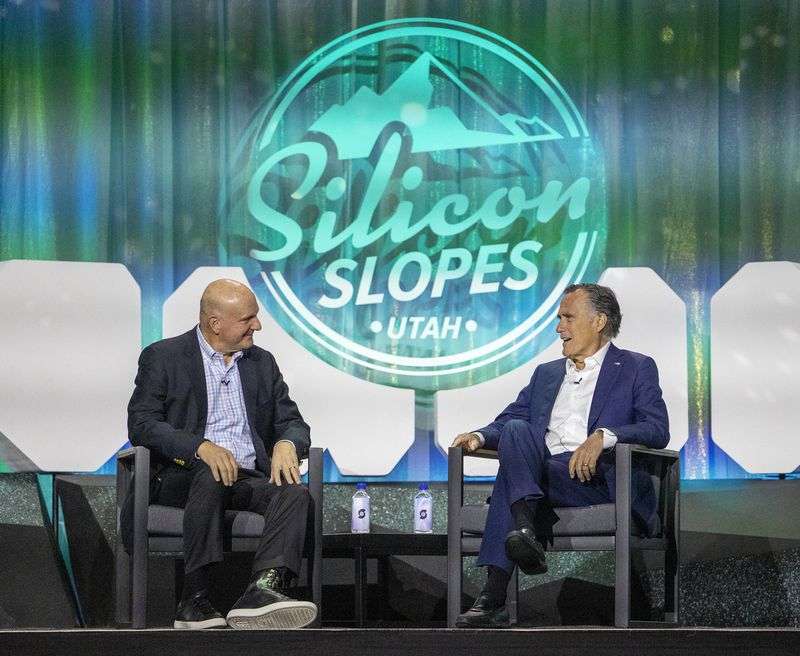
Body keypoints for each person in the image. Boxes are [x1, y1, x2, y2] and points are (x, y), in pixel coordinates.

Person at [451, 283, 669, 628]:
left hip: (594, 479)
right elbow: (512, 418)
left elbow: (657, 428)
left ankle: (495, 593)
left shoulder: (635, 367)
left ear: (599, 321)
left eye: (568, 318)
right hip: (543, 477)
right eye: (559, 318)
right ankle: (523, 528)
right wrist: (479, 435)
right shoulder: (547, 373)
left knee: (511, 479)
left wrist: (604, 436)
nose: (559, 327)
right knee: (516, 431)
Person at [125, 279, 316, 629]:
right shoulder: (164, 357)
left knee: (293, 493)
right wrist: (199, 447)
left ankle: (262, 589)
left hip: (244, 478)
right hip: (181, 476)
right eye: (248, 319)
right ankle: (194, 599)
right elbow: (142, 424)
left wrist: (287, 444)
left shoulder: (261, 363)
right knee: (212, 470)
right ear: (215, 323)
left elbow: (292, 422)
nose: (257, 326)